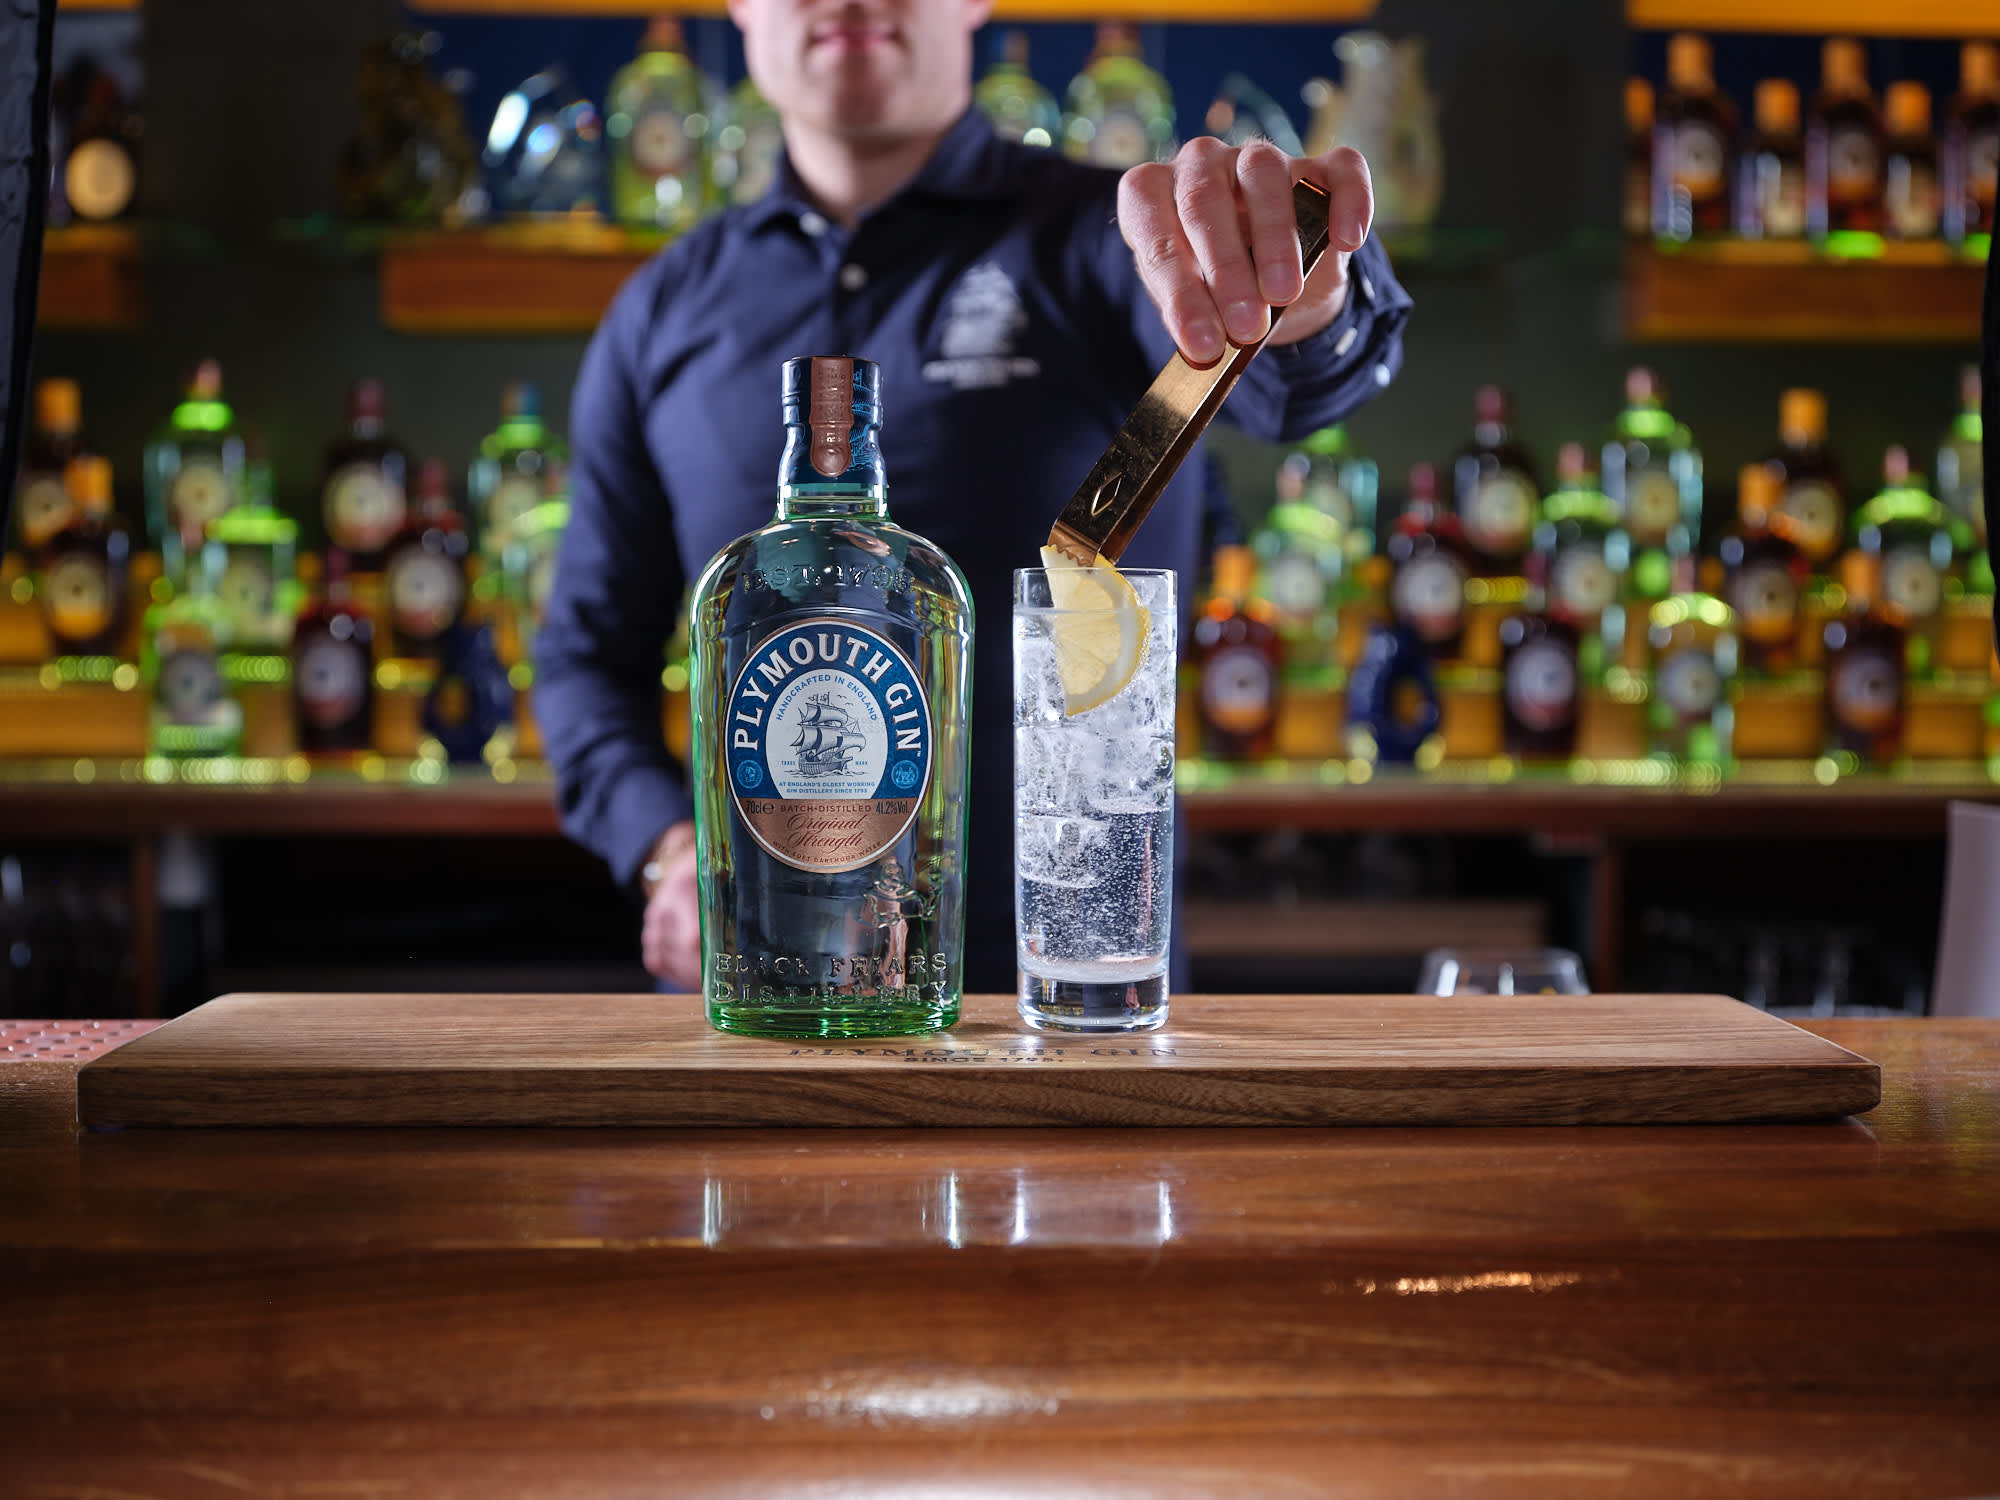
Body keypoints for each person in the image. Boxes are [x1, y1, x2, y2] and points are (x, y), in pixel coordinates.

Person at [535, 0, 1413, 996]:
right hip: (760, 991)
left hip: (1063, 999)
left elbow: (1274, 372)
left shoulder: (1109, 238)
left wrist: (1300, 288)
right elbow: (582, 663)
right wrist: (668, 848)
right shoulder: (661, 308)